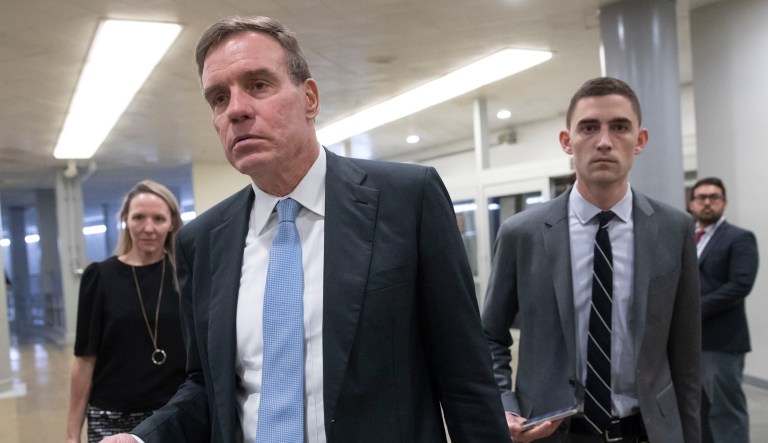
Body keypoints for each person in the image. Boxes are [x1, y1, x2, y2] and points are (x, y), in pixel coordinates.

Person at [102, 15, 508, 443]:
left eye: (258, 85)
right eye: (219, 98)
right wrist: (143, 438)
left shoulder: (407, 201)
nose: (236, 109)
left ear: (310, 98)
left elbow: (466, 380)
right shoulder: (202, 241)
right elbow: (207, 384)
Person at [482, 77, 701, 442]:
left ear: (640, 141)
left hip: (648, 431)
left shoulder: (673, 230)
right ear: (567, 141)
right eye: (588, 127)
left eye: (619, 127)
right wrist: (504, 403)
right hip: (553, 432)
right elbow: (488, 336)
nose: (603, 141)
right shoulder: (522, 233)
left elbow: (686, 355)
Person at [66, 180, 186, 443]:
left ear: (172, 223)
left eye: (158, 218)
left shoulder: (186, 276)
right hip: (112, 416)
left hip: (171, 414)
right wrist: (72, 434)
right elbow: (84, 360)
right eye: (139, 217)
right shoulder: (99, 276)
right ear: (125, 220)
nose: (149, 228)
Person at [688, 177, 758, 443]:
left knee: (726, 411)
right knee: (698, 411)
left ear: (724, 203)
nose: (707, 202)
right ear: (692, 203)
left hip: (722, 342)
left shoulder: (739, 238)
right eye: (701, 197)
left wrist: (693, 310)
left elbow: (740, 285)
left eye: (714, 197)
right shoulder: (688, 238)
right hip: (691, 343)